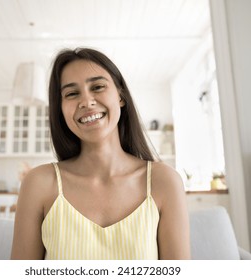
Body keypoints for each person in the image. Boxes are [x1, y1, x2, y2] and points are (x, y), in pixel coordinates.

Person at [11, 47, 190, 260]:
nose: (86, 101)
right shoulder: (39, 184)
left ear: (120, 95)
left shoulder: (164, 181)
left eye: (97, 87)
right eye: (71, 93)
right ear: (60, 108)